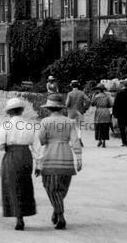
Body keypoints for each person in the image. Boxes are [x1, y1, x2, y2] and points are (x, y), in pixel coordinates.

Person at [36, 94, 82, 230]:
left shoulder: (45, 122)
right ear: (61, 108)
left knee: (50, 187)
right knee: (61, 189)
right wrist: (79, 158)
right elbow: (75, 140)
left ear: (49, 109)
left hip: (50, 157)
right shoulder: (69, 122)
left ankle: (60, 215)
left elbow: (41, 140)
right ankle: (56, 210)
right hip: (67, 158)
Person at [0, 98, 39, 231]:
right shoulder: (29, 124)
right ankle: (23, 213)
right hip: (25, 155)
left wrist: (6, 146)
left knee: (12, 184)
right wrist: (39, 164)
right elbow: (37, 145)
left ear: (9, 112)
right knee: (24, 184)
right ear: (22, 110)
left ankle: (18, 217)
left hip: (12, 155)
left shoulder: (6, 125)